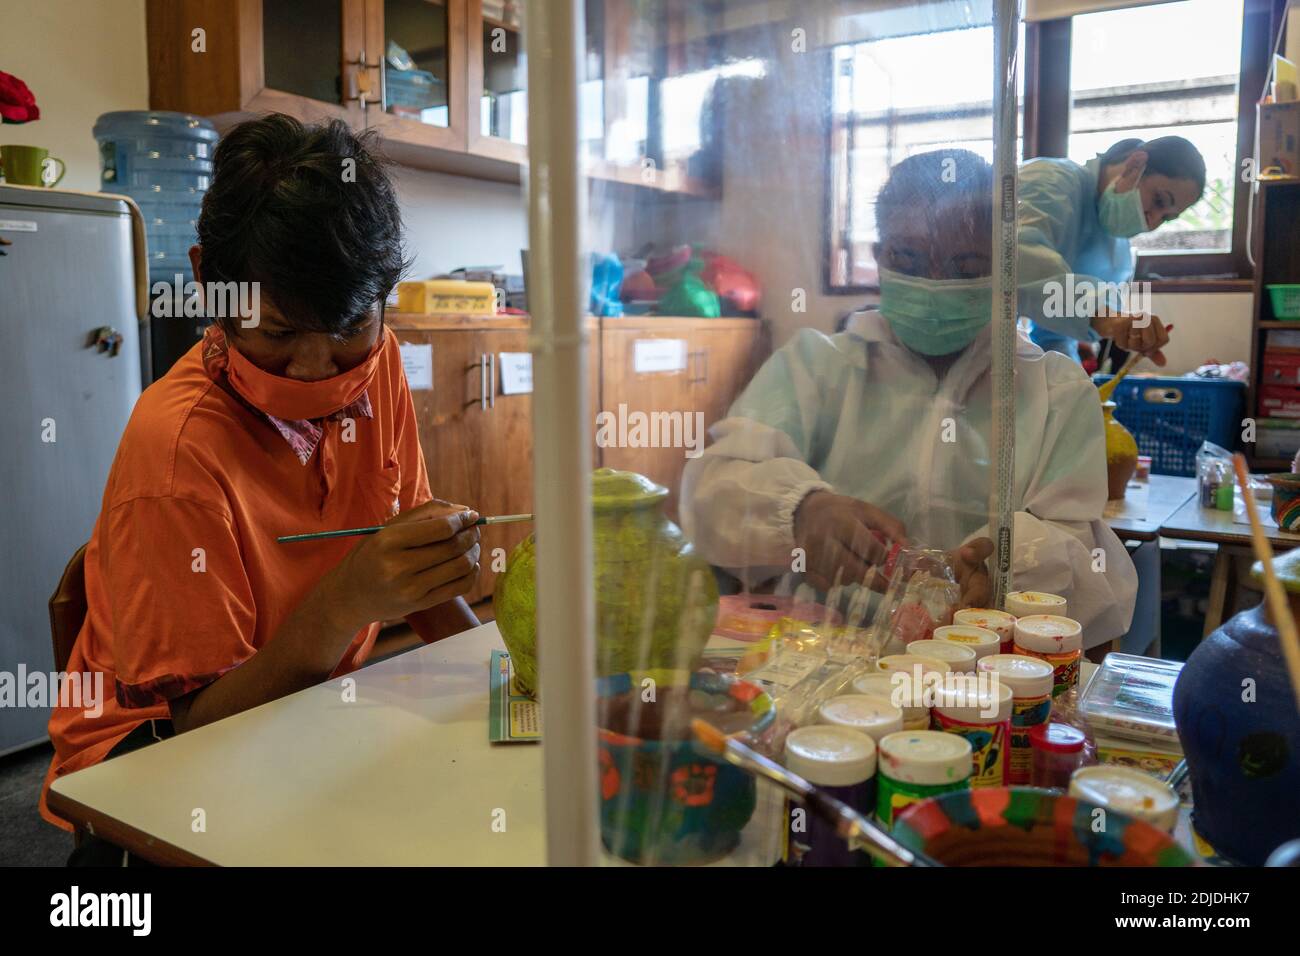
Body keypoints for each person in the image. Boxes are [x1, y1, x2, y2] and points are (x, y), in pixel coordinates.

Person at [41, 115, 482, 860]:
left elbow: (414, 569)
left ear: (382, 300)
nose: (316, 371)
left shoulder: (378, 366)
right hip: (152, 770)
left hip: (304, 716)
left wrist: (514, 682)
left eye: (346, 329)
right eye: (275, 334)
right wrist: (345, 600)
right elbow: (199, 727)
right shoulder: (177, 454)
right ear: (211, 280)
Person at [681, 148, 1137, 646]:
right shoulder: (816, 368)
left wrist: (1007, 571)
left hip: (977, 668)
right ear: (878, 258)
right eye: (909, 258)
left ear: (1006, 267)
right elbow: (713, 487)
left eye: (966, 266)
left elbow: (1084, 560)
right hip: (820, 663)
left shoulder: (1055, 392)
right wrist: (801, 511)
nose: (934, 282)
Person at [1019, 136, 1206, 363]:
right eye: (1158, 200)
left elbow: (1056, 335)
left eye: (1166, 218)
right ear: (1135, 164)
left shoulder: (1115, 255)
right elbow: (1019, 263)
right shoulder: (1048, 183)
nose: (1152, 222)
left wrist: (1073, 388)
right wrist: (1106, 317)